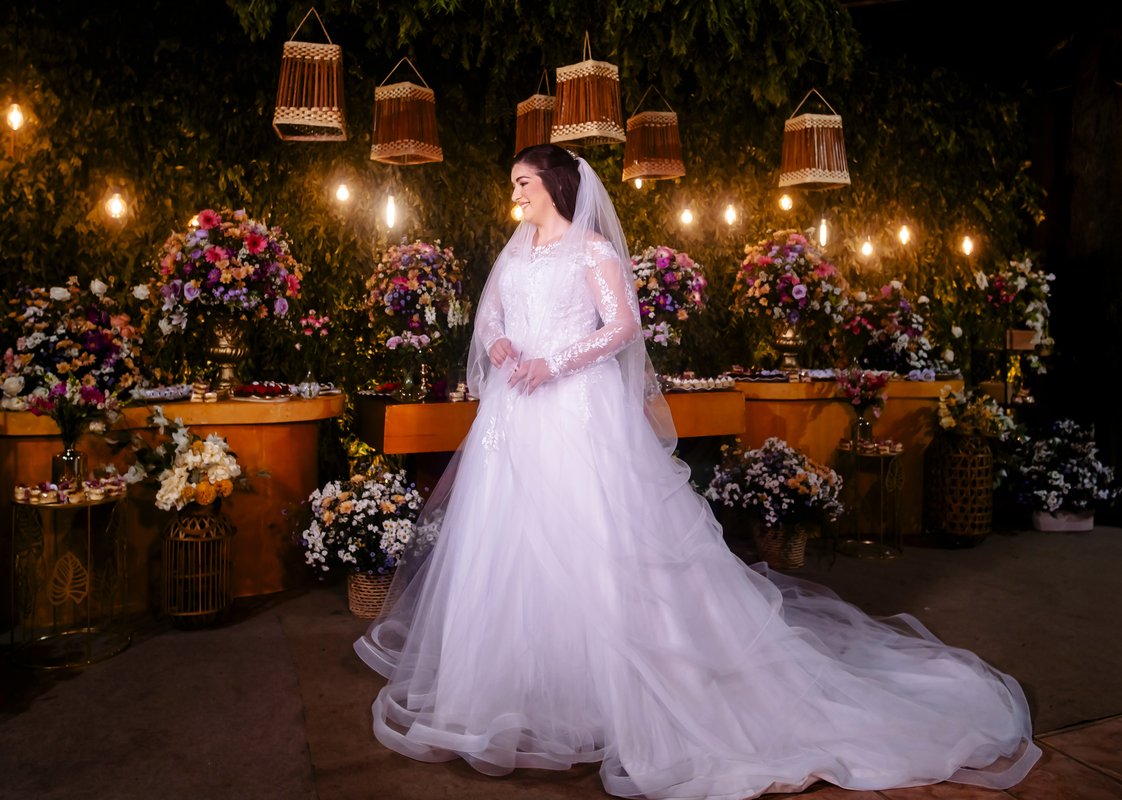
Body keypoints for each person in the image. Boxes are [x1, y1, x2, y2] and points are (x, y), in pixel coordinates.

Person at [354, 144, 1040, 799]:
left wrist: (552, 361)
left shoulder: (591, 251)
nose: (514, 193)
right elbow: (492, 315)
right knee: (510, 546)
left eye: (523, 182)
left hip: (575, 410)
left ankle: (618, 690)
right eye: (513, 183)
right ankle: (520, 689)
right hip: (516, 414)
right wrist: (504, 345)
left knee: (594, 541)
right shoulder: (516, 252)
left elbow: (622, 327)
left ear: (554, 187)